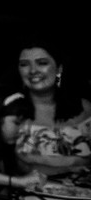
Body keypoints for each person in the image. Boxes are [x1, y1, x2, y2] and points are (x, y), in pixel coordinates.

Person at [10, 38, 91, 174]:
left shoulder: (85, 108)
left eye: (42, 63)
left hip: (80, 193)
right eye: (24, 64)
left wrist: (36, 161)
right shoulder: (10, 110)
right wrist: (70, 164)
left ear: (59, 68)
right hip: (24, 192)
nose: (33, 71)